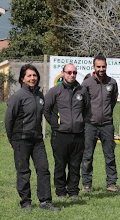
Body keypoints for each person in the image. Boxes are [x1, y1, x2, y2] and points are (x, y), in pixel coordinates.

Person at [5, 64, 60, 211]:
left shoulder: (40, 96)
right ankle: (26, 202)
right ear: (22, 78)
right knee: (23, 171)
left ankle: (45, 201)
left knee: (43, 169)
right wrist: (13, 140)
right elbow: (9, 120)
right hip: (20, 140)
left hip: (37, 140)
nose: (32, 78)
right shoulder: (17, 97)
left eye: (34, 75)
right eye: (29, 76)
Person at [44, 64, 90, 200]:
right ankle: (61, 191)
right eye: (69, 72)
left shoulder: (82, 91)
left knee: (75, 164)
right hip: (60, 135)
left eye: (74, 72)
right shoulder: (55, 91)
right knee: (60, 164)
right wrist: (55, 125)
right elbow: (46, 110)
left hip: (78, 134)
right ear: (63, 73)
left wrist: (81, 123)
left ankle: (73, 191)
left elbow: (87, 109)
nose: (72, 75)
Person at [81, 54, 120, 193]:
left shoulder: (112, 83)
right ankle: (86, 185)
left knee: (110, 155)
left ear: (106, 66)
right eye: (98, 66)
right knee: (87, 155)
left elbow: (113, 101)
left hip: (107, 125)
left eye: (103, 66)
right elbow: (82, 103)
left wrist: (106, 113)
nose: (101, 69)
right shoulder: (86, 84)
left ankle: (111, 183)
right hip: (90, 125)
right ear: (94, 67)